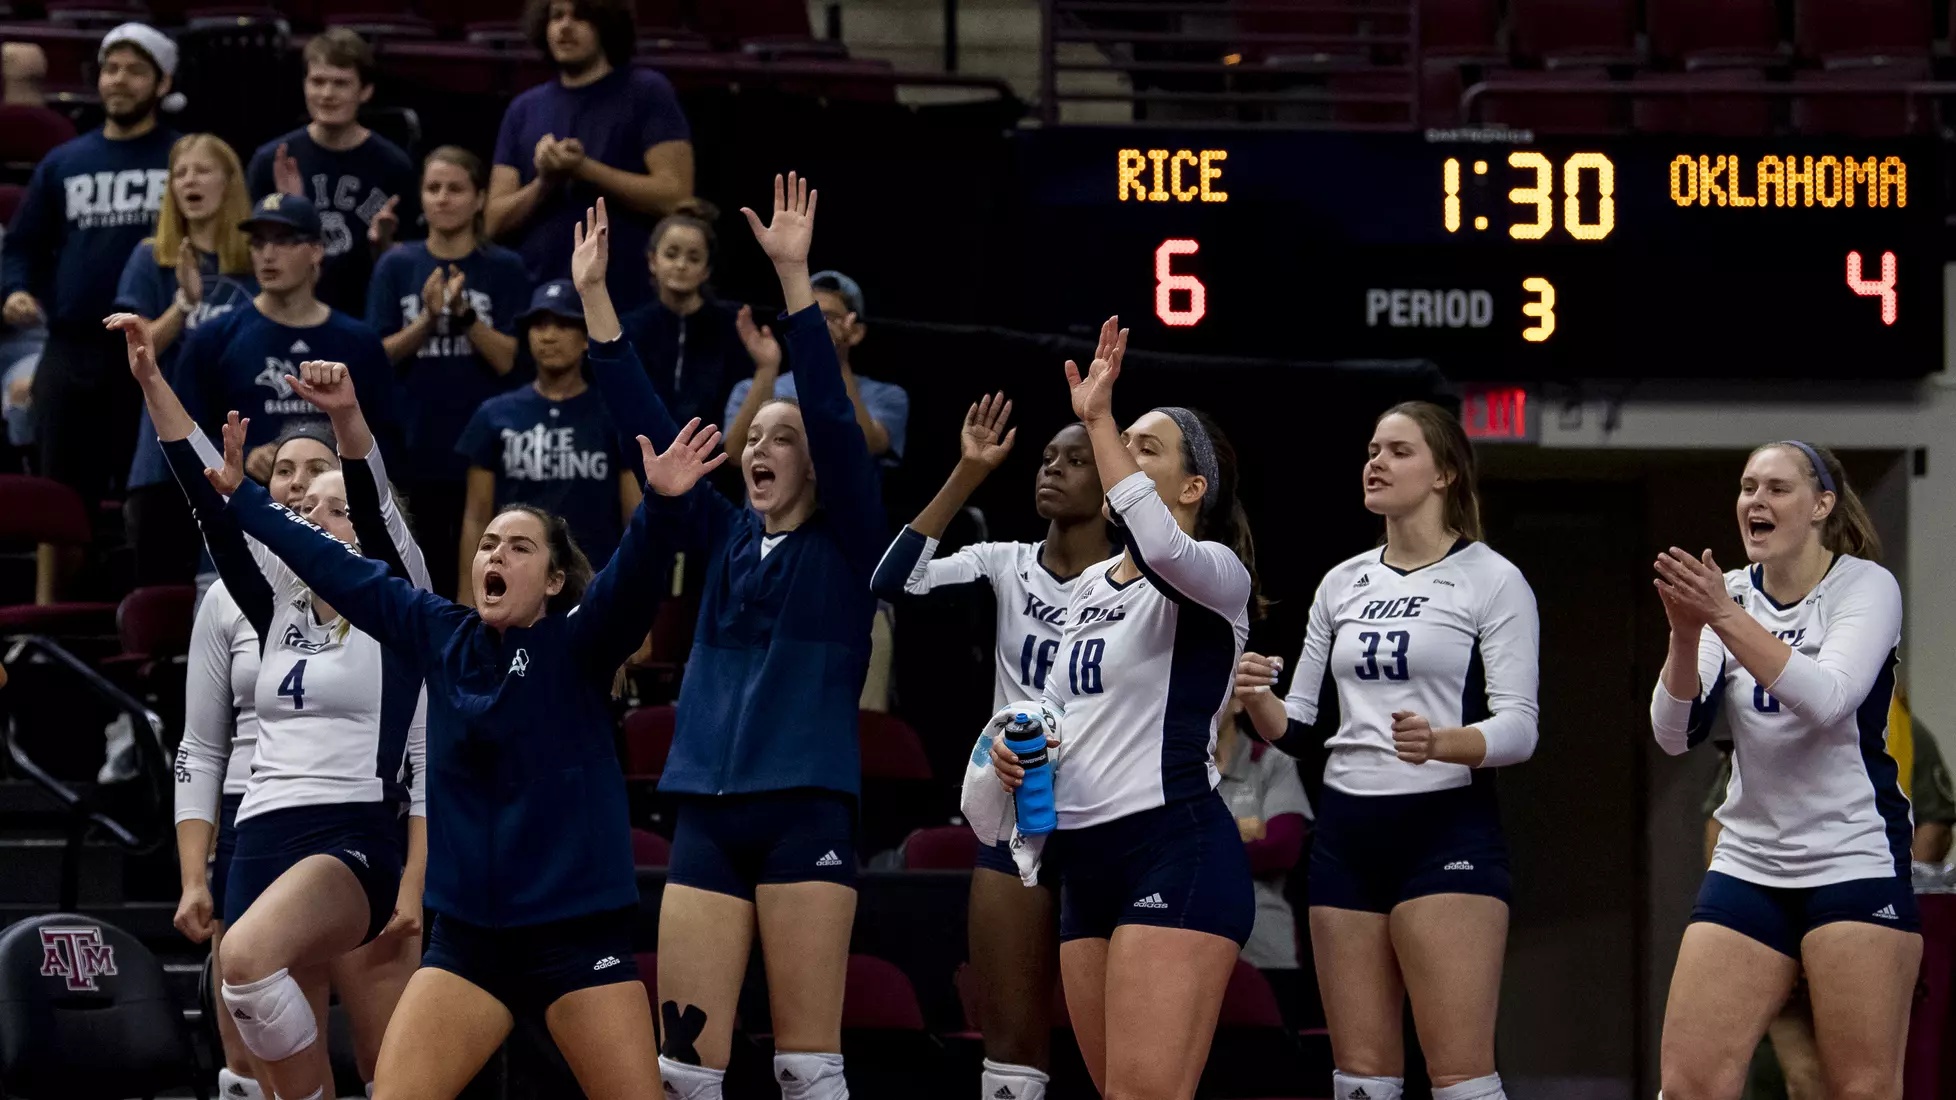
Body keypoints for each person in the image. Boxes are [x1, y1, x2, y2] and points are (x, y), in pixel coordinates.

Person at [193, 367, 725, 1100]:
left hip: (578, 939)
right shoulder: (439, 634)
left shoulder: (583, 643)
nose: (494, 557)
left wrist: (663, 508)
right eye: (487, 546)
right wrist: (246, 499)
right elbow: (336, 568)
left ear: (553, 582)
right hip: (469, 944)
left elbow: (632, 579)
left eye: (518, 549)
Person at [580, 179, 879, 1100]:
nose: (761, 445)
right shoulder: (721, 536)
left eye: (782, 439)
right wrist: (595, 302)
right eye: (758, 436)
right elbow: (651, 432)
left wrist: (793, 282)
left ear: (817, 466)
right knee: (680, 1070)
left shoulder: (851, 542)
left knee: (804, 1065)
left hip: (806, 810)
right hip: (706, 811)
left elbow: (831, 412)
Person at [114, 311, 429, 1100]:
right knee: (251, 1023)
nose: (312, 517)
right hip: (254, 833)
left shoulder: (402, 605)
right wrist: (155, 383)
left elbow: (381, 513)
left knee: (250, 963)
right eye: (305, 507)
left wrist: (348, 418)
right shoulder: (266, 604)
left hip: (348, 832)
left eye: (334, 507)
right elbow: (202, 492)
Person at [1234, 401, 1540, 1100]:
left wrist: (1443, 743)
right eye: (1372, 449)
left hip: (1444, 830)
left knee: (1459, 1073)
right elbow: (1301, 727)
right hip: (1346, 833)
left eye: (1399, 451)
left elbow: (1520, 729)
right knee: (1361, 1078)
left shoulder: (1491, 578)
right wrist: (1257, 702)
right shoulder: (1342, 581)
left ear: (1445, 473)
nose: (1376, 462)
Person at [989, 316, 1258, 1100]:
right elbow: (1060, 715)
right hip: (1086, 862)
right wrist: (1016, 750)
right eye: (1123, 440)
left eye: (1149, 449)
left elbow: (1162, 548)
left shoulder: (1215, 573)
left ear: (1192, 487)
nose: (1121, 460)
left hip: (1176, 851)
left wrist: (1101, 418)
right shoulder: (1083, 590)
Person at [1650, 441, 1919, 1100]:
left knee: (1860, 1087)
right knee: (1689, 1084)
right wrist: (1686, 636)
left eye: (1777, 488)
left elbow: (1828, 701)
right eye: (1747, 487)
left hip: (1851, 856)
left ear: (1822, 504)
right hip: (1751, 859)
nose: (1756, 502)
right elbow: (1674, 734)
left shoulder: (1864, 585)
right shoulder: (1733, 593)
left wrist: (1721, 616)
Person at [869, 395, 1111, 1100]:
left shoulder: (1141, 576)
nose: (1053, 469)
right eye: (1046, 459)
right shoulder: (1006, 561)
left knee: (1116, 1045)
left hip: (1108, 812)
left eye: (1076, 460)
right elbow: (894, 580)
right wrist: (968, 473)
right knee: (1008, 1047)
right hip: (1014, 814)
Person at [2, 22, 175, 507]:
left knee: (146, 494)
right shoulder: (63, 162)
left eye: (135, 71)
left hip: (154, 348)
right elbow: (23, 246)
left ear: (163, 84)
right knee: (57, 492)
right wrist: (15, 289)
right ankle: (51, 587)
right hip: (71, 346)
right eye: (110, 69)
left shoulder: (181, 159)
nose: (119, 80)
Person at [368, 146, 531, 598]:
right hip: (412, 449)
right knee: (415, 581)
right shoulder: (396, 265)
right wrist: (425, 321)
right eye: (433, 188)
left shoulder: (504, 267)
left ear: (480, 198)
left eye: (455, 189)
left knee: (487, 578)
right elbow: (376, 359)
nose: (442, 198)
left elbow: (511, 361)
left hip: (482, 455)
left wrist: (463, 316)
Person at [178, 193, 401, 488]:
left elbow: (389, 441)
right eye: (258, 243)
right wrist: (239, 459)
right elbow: (185, 436)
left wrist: (339, 463)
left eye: (283, 241)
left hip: (337, 511)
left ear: (317, 250)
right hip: (245, 511)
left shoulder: (359, 342)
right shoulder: (213, 337)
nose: (268, 254)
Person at [115, 132, 258, 586]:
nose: (189, 181)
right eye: (180, 173)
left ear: (229, 182)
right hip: (162, 457)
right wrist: (184, 304)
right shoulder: (150, 257)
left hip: (237, 451)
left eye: (202, 170)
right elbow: (139, 349)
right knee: (161, 598)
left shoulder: (255, 262)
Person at [487, 0, 693, 314]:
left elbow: (676, 196)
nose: (565, 26)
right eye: (557, 16)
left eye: (580, 16)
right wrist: (544, 182)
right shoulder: (523, 108)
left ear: (606, 25)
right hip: (540, 300)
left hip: (626, 295)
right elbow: (493, 222)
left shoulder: (647, 92)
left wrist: (584, 169)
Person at [454, 279, 639, 603]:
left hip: (596, 586)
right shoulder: (493, 415)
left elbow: (634, 519)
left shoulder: (613, 415)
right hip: (514, 584)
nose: (549, 335)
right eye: (539, 325)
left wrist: (636, 605)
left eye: (564, 324)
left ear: (586, 337)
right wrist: (469, 600)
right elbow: (476, 517)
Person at [246, 28, 415, 316]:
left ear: (365, 90)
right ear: (304, 86)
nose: (327, 94)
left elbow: (411, 263)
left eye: (340, 83)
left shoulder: (394, 166)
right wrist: (288, 212)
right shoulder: (271, 160)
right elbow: (251, 257)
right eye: (318, 81)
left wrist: (384, 247)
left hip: (364, 316)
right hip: (287, 317)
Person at [723, 269, 907, 466]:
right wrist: (767, 369)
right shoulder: (753, 388)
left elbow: (866, 446)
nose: (818, 326)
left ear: (856, 332)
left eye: (829, 317)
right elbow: (735, 453)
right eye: (807, 316)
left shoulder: (886, 395)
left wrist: (837, 359)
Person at [1214, 694, 1311, 1026]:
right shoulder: (1169, 771)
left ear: (1239, 702)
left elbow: (1282, 847)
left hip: (1266, 947)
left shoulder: (1271, 762)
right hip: (1187, 947)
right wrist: (1241, 830)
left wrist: (1196, 842)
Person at [618, 202, 758, 429]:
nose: (681, 265)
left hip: (716, 454)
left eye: (693, 258)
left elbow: (741, 398)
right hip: (647, 454)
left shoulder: (733, 325)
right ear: (653, 260)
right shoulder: (630, 328)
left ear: (706, 269)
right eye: (671, 255)